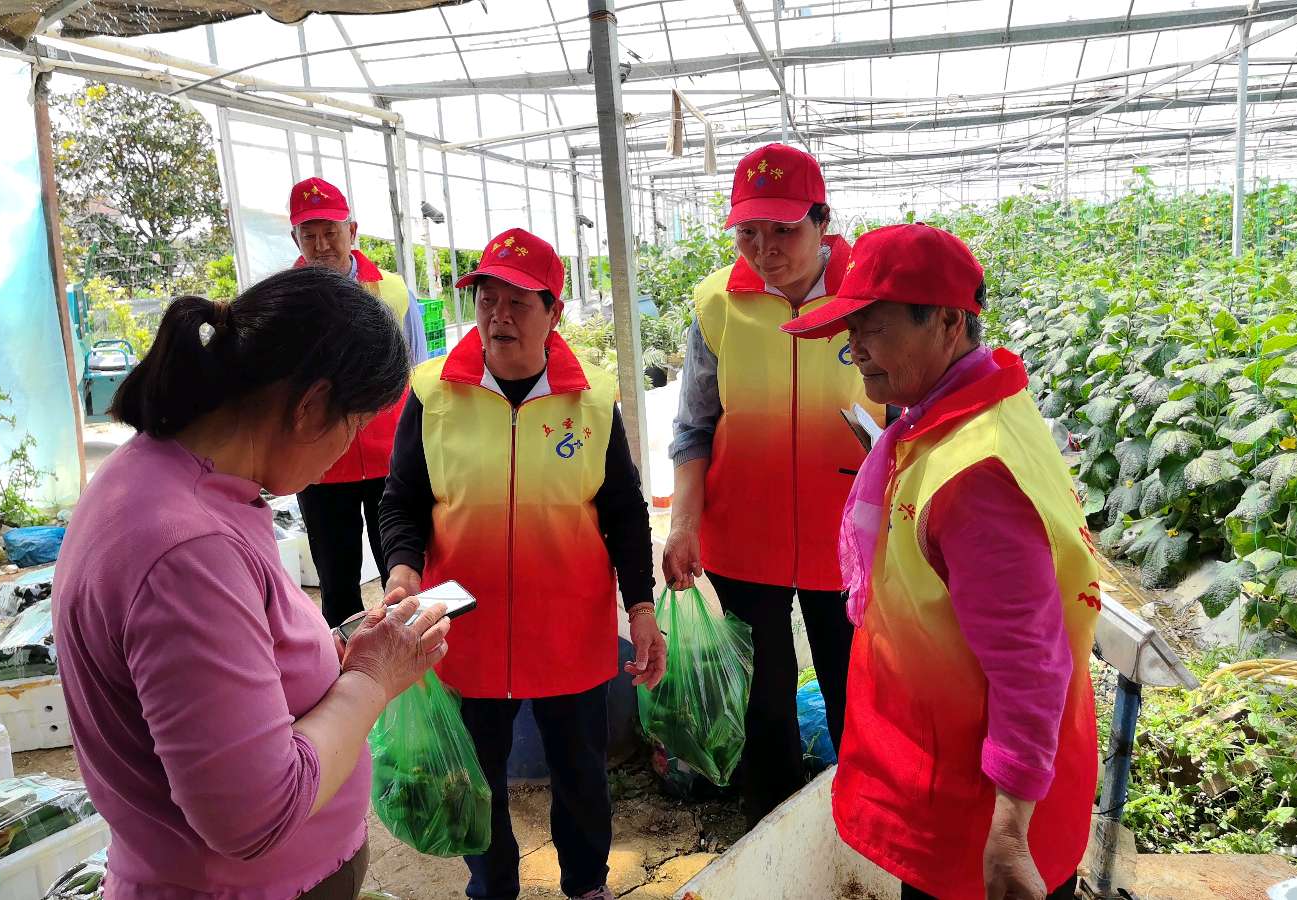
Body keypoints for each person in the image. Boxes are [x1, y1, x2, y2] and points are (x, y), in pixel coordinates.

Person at [52, 267, 452, 899]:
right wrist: (373, 679)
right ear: (310, 407)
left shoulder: (160, 474)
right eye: (354, 425)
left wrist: (328, 657)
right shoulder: (188, 551)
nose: (347, 449)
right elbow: (255, 814)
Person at [780, 224, 1100, 900]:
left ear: (949, 323)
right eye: (849, 331)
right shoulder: (976, 409)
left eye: (873, 327)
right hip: (959, 782)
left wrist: (1009, 833)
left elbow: (1030, 664)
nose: (855, 351)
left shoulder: (974, 475)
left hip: (979, 817)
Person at [380, 228, 664, 900]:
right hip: (464, 624)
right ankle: (492, 889)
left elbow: (624, 512)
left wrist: (641, 605)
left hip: (569, 624)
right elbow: (402, 500)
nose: (498, 315)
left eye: (518, 302)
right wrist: (402, 570)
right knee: (477, 778)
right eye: (487, 298)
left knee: (581, 773)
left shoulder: (591, 400)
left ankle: (587, 885)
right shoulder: (431, 393)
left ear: (554, 312)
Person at [662, 142, 880, 825]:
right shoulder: (718, 305)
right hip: (744, 536)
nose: (765, 249)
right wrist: (683, 525)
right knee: (763, 702)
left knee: (857, 694)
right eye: (748, 232)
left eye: (783, 229)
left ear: (822, 221)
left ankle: (861, 830)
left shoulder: (870, 294)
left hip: (848, 543)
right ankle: (773, 830)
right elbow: (695, 427)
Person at [289, 175, 428, 628]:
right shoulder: (283, 302)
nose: (321, 245)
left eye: (330, 231)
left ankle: (410, 661)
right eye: (309, 234)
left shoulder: (393, 291)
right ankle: (345, 665)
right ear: (295, 238)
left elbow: (418, 371)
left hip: (392, 462)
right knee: (337, 584)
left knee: (402, 575)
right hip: (320, 465)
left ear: (352, 230)